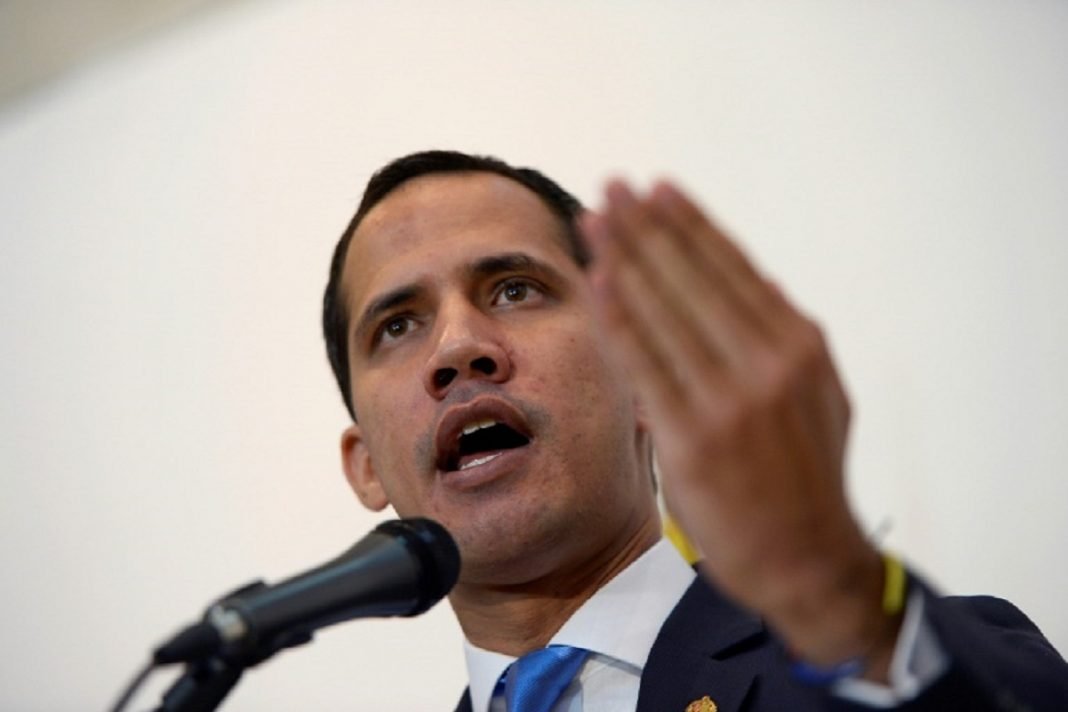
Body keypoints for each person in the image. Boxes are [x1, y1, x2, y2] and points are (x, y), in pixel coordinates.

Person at [321, 150, 1068, 711]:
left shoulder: (865, 651)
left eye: (515, 289)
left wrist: (829, 590)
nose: (457, 349)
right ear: (366, 467)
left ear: (643, 369)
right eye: (397, 326)